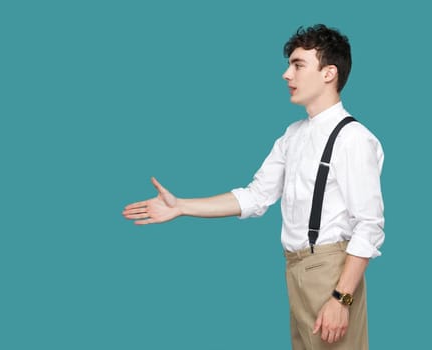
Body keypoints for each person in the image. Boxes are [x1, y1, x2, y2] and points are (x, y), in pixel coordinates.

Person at [122, 24, 384, 350]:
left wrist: (341, 298)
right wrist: (182, 206)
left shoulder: (353, 139)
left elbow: (369, 225)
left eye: (298, 65)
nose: (287, 75)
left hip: (330, 271)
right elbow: (256, 196)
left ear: (329, 73)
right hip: (296, 268)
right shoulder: (293, 135)